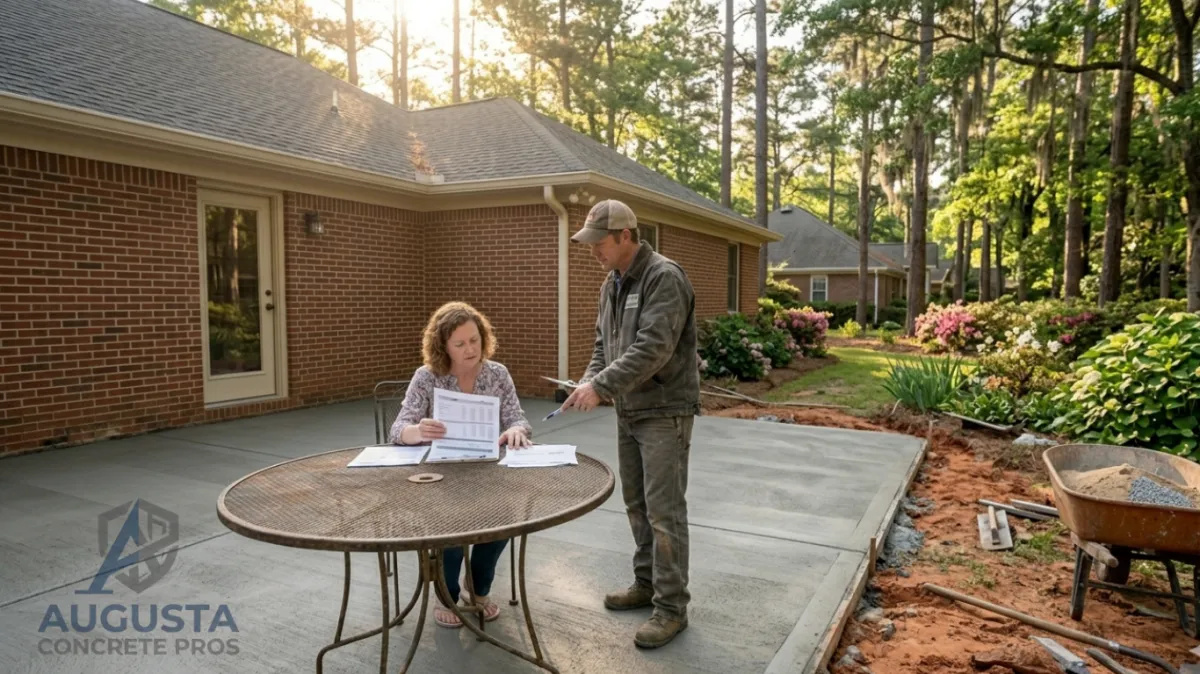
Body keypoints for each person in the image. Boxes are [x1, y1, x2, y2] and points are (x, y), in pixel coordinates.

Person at [560, 199, 700, 649]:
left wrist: (601, 386)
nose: (592, 250)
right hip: (630, 410)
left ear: (625, 236)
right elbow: (605, 344)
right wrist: (587, 381)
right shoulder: (612, 284)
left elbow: (653, 347)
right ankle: (646, 585)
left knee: (664, 512)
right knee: (637, 506)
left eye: (599, 242)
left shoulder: (664, 277)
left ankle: (671, 607)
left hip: (663, 412)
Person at [389, 301, 533, 629]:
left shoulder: (497, 374)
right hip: (440, 475)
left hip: (487, 471)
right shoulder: (426, 377)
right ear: (443, 346)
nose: (470, 349)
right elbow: (397, 430)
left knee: (503, 522)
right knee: (451, 534)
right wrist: (416, 431)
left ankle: (478, 589)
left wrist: (515, 430)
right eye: (460, 344)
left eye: (475, 340)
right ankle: (449, 596)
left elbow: (518, 418)